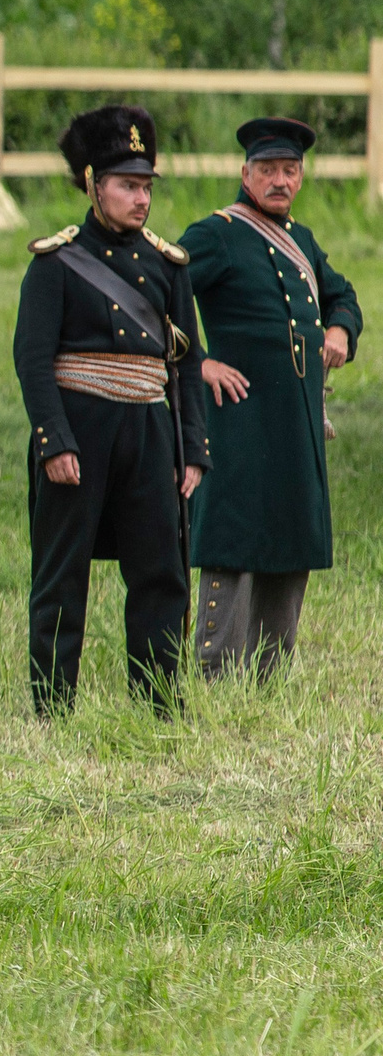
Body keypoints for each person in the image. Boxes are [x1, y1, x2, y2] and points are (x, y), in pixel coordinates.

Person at [15, 106, 211, 716]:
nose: (141, 199)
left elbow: (187, 363)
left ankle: (158, 703)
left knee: (161, 574)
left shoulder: (165, 265)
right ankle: (52, 706)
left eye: (147, 186)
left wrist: (193, 451)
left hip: (151, 432)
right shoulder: (55, 264)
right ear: (94, 184)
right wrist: (55, 440)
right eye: (128, 185)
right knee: (62, 573)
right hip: (82, 429)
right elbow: (32, 357)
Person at [177, 117, 364, 681]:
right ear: (245, 174)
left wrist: (340, 331)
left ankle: (269, 673)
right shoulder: (216, 234)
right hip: (238, 417)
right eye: (268, 171)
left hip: (296, 420)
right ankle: (214, 669)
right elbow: (161, 296)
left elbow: (343, 296)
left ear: (301, 178)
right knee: (231, 537)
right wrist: (199, 362)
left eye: (289, 171)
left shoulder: (302, 242)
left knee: (290, 536)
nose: (279, 181)